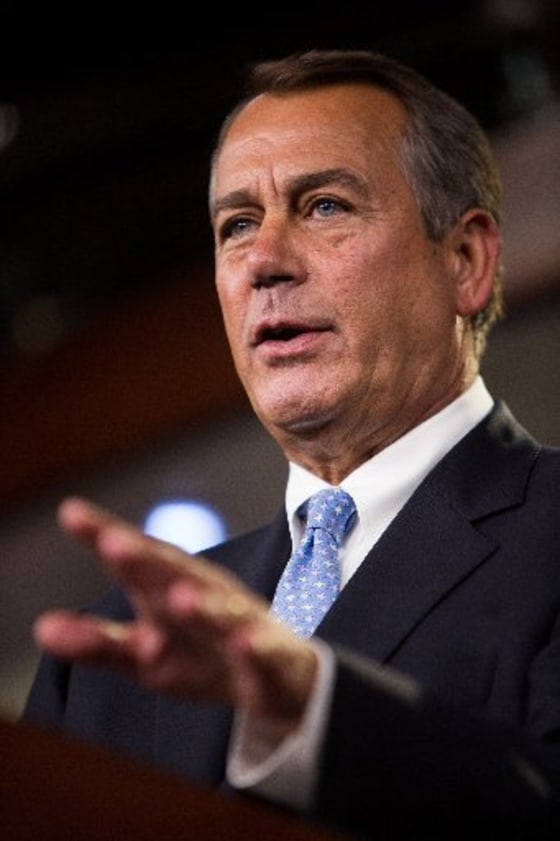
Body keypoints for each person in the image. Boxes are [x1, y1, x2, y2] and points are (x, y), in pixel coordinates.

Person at [22, 48, 560, 839]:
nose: (264, 261)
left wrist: (313, 713)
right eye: (237, 225)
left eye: (325, 206)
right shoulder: (110, 658)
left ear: (467, 261)